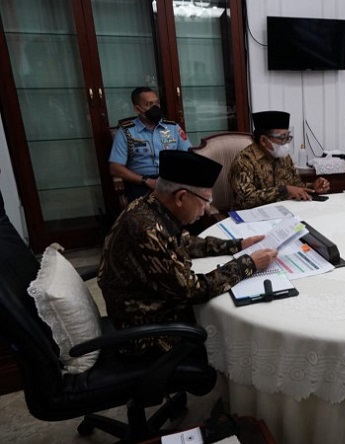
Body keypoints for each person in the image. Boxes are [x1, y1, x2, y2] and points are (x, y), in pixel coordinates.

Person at [99, 150, 278, 355]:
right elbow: (192, 290)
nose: (204, 211)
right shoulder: (145, 229)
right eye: (205, 202)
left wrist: (238, 245)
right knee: (246, 331)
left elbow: (185, 242)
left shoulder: (148, 205)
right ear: (181, 197)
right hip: (149, 331)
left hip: (155, 307)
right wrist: (249, 264)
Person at [229, 111, 330, 210]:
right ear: (263, 140)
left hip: (284, 212)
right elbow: (246, 200)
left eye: (287, 137)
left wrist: (313, 187)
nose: (286, 143)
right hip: (250, 218)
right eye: (282, 138)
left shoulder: (284, 157)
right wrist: (283, 191)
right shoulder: (244, 161)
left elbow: (295, 186)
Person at [109, 87, 192, 203]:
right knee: (148, 213)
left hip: (171, 180)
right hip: (141, 183)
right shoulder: (125, 132)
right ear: (137, 109)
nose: (155, 107)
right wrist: (145, 181)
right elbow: (115, 168)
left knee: (190, 203)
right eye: (149, 104)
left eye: (157, 103)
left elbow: (189, 156)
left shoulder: (173, 128)